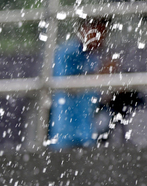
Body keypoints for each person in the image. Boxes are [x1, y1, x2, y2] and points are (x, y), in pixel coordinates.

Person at [48, 17, 116, 150]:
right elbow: (70, 86)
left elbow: (96, 93)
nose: (101, 39)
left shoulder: (93, 58)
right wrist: (103, 73)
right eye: (98, 33)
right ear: (85, 29)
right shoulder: (67, 53)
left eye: (104, 34)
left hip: (87, 135)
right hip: (65, 135)